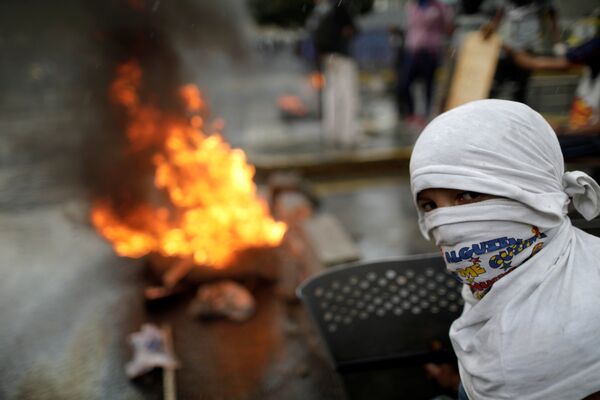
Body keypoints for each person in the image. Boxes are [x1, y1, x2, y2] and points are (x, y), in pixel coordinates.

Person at [409, 99, 600, 399]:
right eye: (430, 206)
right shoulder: (495, 286)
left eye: (468, 195)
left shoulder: (580, 327)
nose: (446, 225)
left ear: (534, 191)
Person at [482, 0, 560, 102]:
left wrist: (557, 43)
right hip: (506, 48)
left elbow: (552, 18)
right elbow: (498, 17)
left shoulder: (542, 4)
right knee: (494, 86)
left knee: (520, 88)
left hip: (527, 48)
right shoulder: (505, 4)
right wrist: (491, 30)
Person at [306, 0, 359, 148]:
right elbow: (352, 29)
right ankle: (347, 136)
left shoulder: (318, 12)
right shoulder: (338, 6)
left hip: (326, 58)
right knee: (347, 97)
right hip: (342, 57)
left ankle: (332, 134)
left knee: (331, 96)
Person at [399, 0, 453, 125]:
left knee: (428, 85)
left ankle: (426, 115)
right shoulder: (411, 6)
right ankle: (411, 113)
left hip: (430, 51)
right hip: (412, 50)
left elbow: (448, 27)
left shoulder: (440, 7)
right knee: (404, 84)